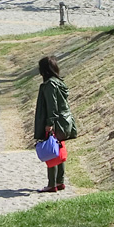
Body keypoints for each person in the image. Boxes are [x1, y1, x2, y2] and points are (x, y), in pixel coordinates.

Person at [33, 55, 77, 193]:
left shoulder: (50, 84)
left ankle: (52, 184)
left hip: (55, 121)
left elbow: (52, 106)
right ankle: (60, 181)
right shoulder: (59, 82)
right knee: (59, 149)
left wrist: (49, 123)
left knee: (51, 151)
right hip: (65, 120)